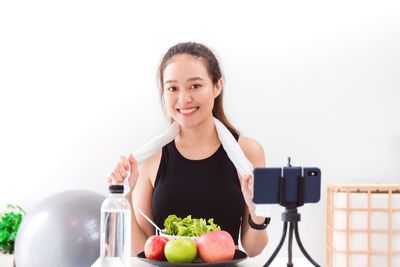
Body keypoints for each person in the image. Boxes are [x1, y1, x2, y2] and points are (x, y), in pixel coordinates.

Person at [106, 42, 269, 257]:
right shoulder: (151, 157)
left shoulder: (248, 152)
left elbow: (254, 249)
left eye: (195, 86)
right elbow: (141, 249)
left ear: (217, 86)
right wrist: (123, 193)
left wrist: (258, 209)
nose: (184, 99)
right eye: (173, 88)